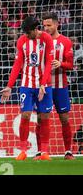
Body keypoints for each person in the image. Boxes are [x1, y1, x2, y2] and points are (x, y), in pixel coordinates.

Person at [0, 16, 54, 161]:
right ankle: (23, 151)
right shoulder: (22, 41)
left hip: (45, 86)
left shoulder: (47, 39)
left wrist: (43, 84)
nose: (26, 35)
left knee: (44, 118)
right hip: (27, 85)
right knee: (25, 115)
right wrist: (9, 86)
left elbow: (49, 63)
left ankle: (44, 152)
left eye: (28, 32)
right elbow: (17, 64)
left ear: (36, 30)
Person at [40, 13, 74, 160]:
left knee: (64, 118)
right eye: (44, 26)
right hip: (44, 87)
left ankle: (68, 151)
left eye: (49, 25)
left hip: (61, 87)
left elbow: (71, 65)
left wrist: (61, 64)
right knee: (41, 118)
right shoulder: (39, 41)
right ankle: (41, 152)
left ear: (56, 24)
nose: (46, 28)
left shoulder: (65, 42)